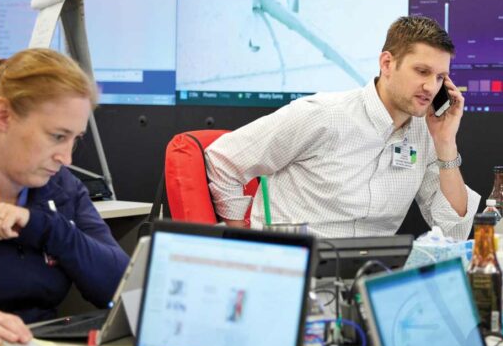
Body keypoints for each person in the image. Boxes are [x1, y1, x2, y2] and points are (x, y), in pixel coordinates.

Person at [205, 16, 480, 239]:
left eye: (440, 77)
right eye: (422, 72)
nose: (431, 87)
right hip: (296, 273)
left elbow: (453, 230)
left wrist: (445, 144)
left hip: (365, 278)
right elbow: (222, 161)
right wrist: (240, 237)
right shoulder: (322, 115)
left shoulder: (425, 133)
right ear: (387, 63)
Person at [0, 48, 129, 346]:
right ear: (3, 116)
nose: (66, 158)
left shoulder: (61, 188)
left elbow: (121, 289)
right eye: (57, 136)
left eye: (75, 139)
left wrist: (44, 227)